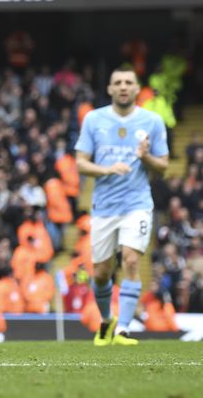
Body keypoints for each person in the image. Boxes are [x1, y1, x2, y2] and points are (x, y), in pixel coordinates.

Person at [75, 65, 168, 346]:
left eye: (129, 82)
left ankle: (124, 329)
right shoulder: (94, 119)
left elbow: (163, 166)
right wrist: (105, 170)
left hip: (136, 203)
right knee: (102, 272)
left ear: (137, 89)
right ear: (110, 89)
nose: (124, 86)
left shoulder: (152, 121)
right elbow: (80, 162)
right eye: (119, 82)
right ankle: (106, 321)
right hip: (104, 206)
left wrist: (146, 157)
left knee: (130, 259)